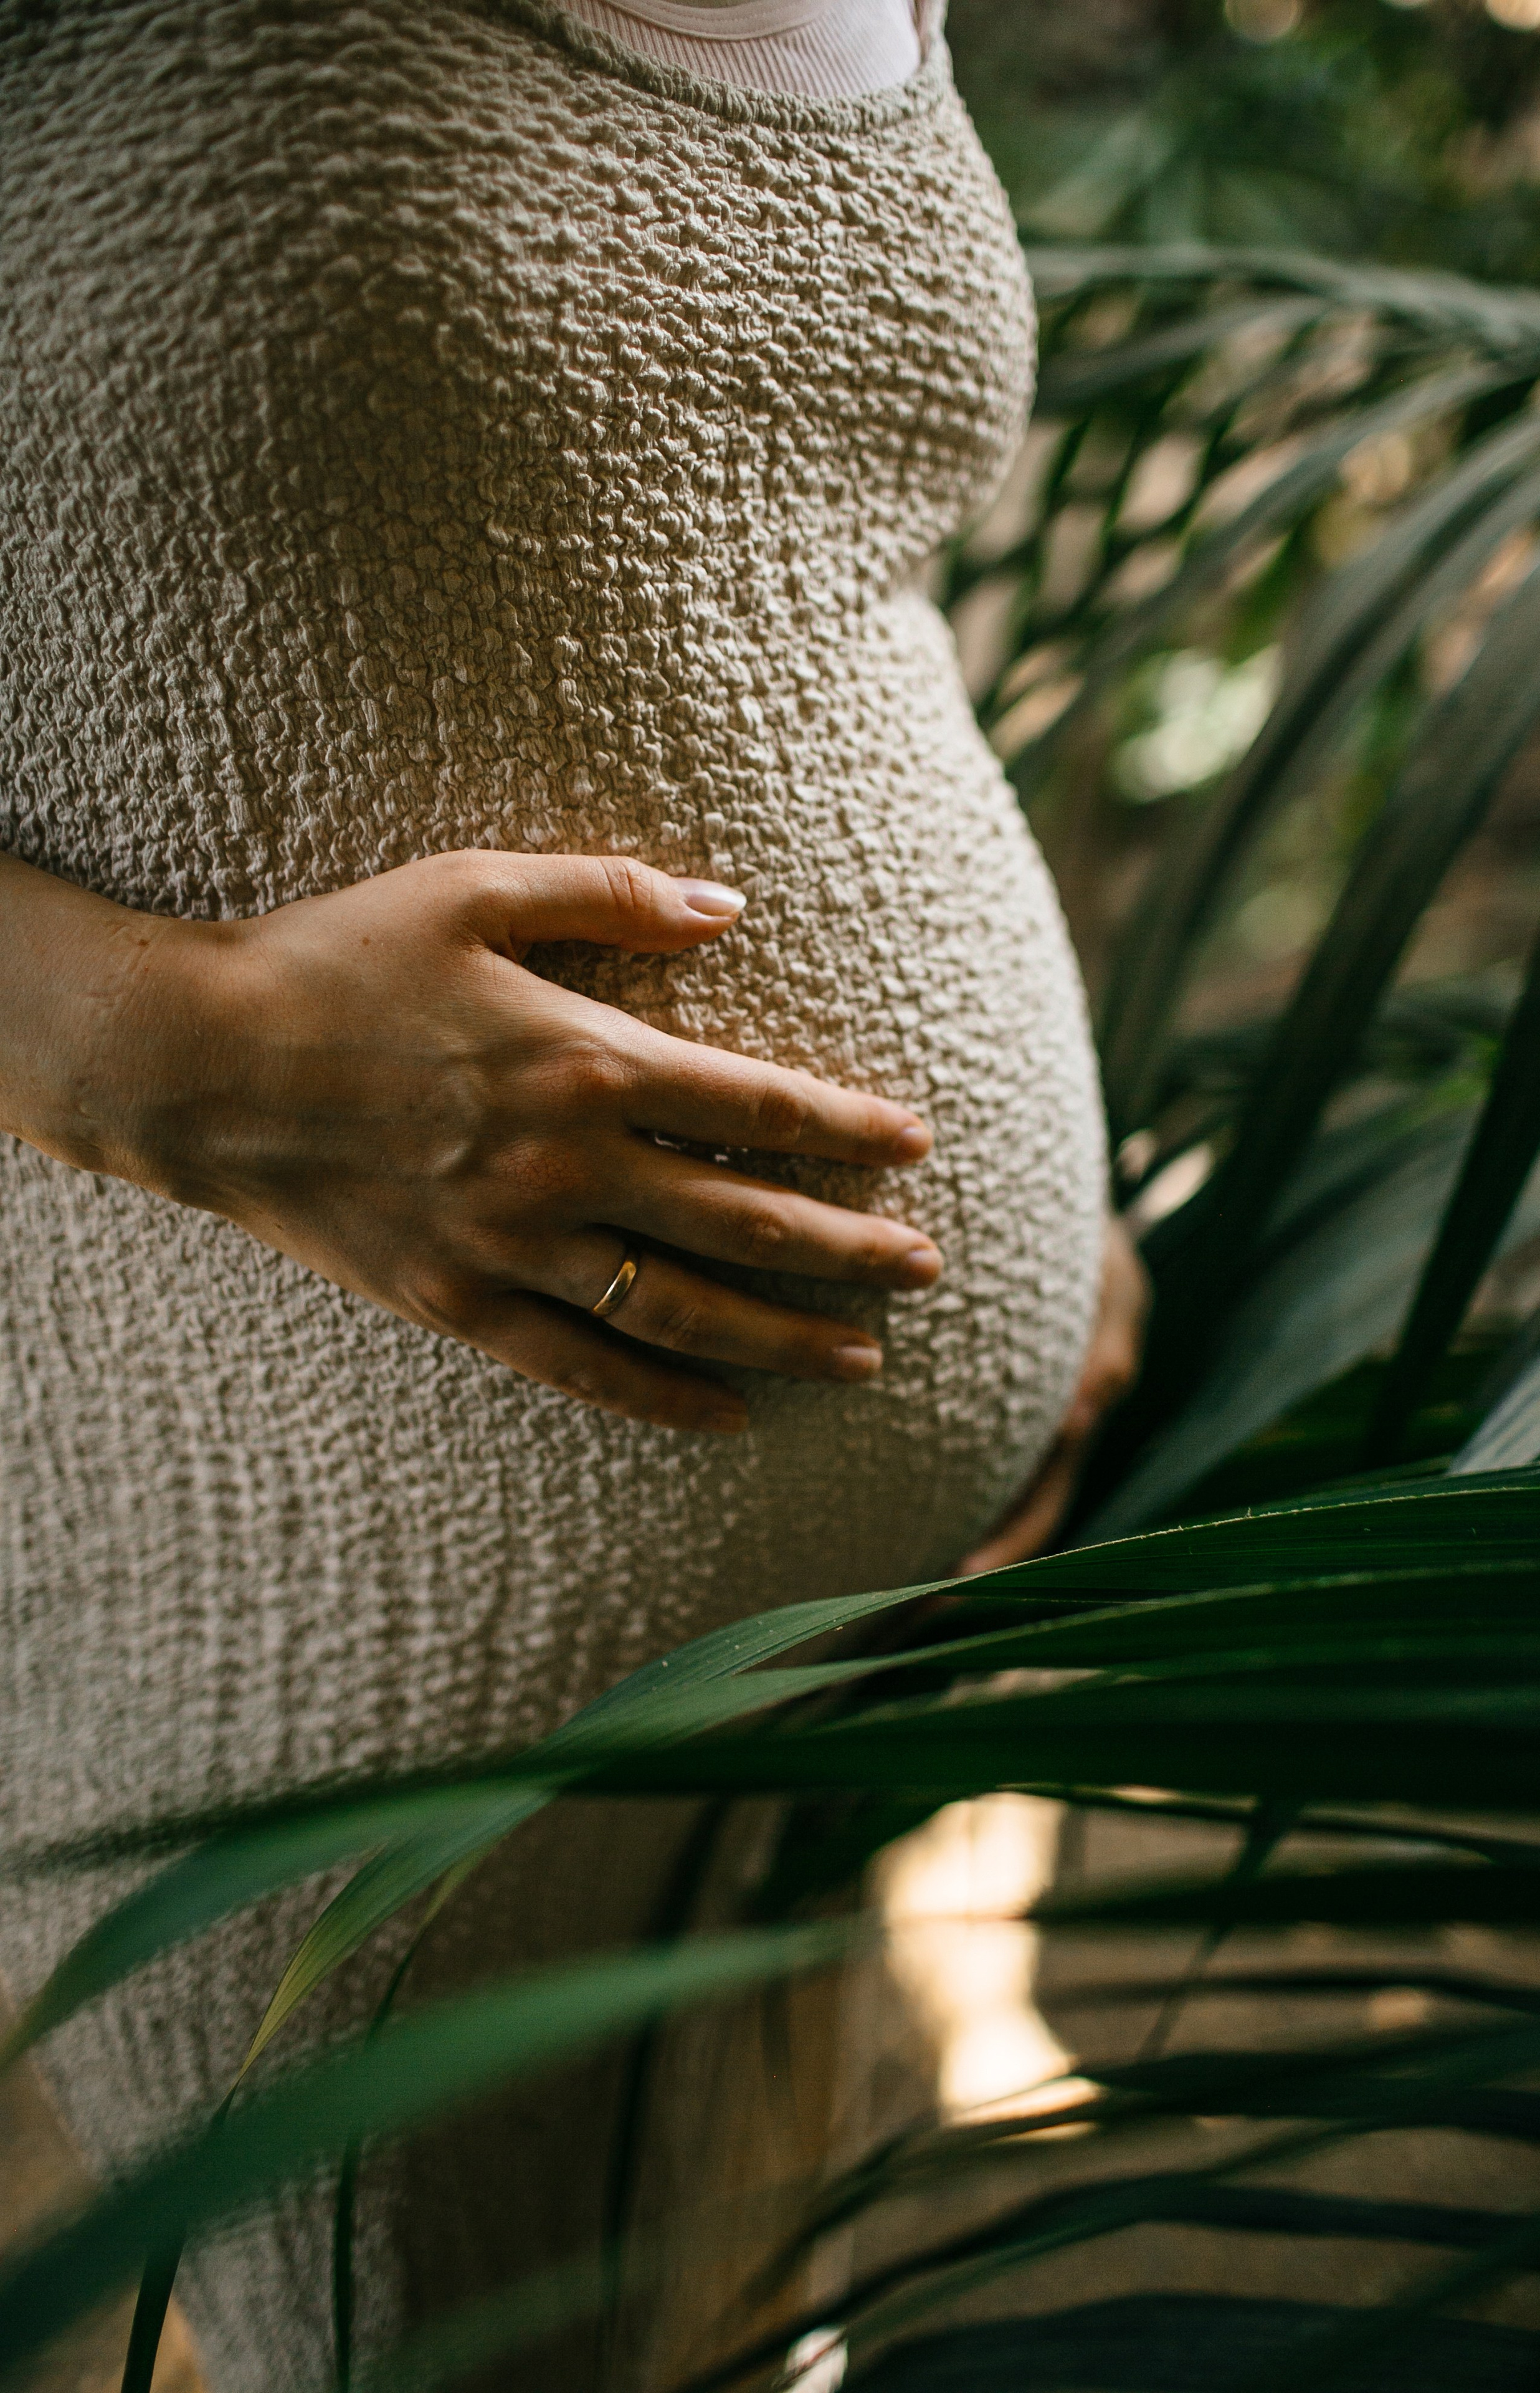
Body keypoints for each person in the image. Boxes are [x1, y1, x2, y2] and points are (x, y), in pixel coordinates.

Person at [0, 1, 1144, 2384]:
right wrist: (182, 1058)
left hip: (806, 1655)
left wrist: (1060, 1152)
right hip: (298, 1599)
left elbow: (789, 574)